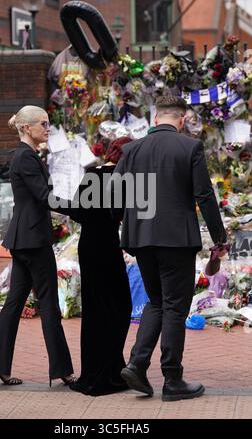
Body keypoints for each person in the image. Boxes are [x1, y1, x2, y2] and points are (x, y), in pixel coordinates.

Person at [112, 96, 227, 401]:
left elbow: (113, 192)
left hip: (141, 238)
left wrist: (124, 223)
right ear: (182, 118)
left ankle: (137, 364)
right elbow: (204, 195)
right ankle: (172, 379)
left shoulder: (132, 149)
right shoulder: (189, 147)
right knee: (175, 306)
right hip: (176, 238)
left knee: (157, 302)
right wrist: (220, 238)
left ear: (155, 118)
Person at [0, 105, 74, 386]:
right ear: (27, 128)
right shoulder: (25, 157)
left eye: (48, 124)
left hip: (25, 237)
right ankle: (61, 370)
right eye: (43, 124)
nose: (47, 129)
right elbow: (43, 196)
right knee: (48, 304)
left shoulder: (26, 155)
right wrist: (81, 207)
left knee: (14, 302)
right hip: (33, 239)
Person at [65, 137, 133, 396]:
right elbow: (125, 213)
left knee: (95, 307)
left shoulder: (91, 175)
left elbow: (77, 213)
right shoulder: (123, 179)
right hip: (108, 246)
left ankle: (94, 371)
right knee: (120, 305)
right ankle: (111, 369)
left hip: (88, 245)